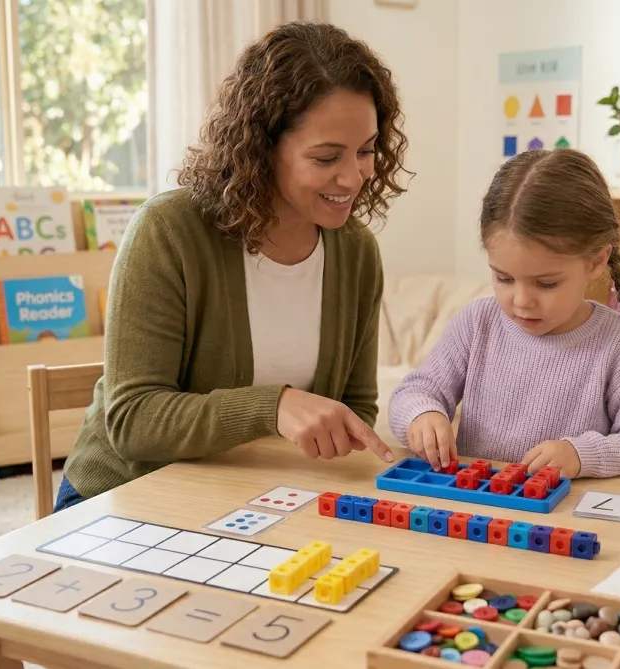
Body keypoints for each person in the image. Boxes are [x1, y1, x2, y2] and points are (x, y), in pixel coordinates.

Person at [54, 22, 409, 512]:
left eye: (367, 150)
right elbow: (132, 420)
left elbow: (354, 408)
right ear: (262, 149)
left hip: (261, 500)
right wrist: (274, 407)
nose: (354, 177)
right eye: (326, 157)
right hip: (125, 494)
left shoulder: (356, 253)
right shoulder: (168, 231)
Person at [386, 148, 620, 481]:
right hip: (477, 514)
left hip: (566, 524)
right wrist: (422, 415)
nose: (522, 301)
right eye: (504, 278)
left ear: (596, 261)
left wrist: (582, 455)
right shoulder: (477, 323)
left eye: (546, 283)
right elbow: (412, 393)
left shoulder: (619, 342)